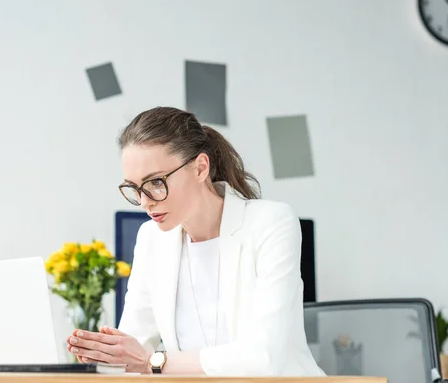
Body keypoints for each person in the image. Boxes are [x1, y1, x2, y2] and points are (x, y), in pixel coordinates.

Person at [65, 106, 324, 376]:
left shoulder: (270, 223)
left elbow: (263, 357)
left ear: (200, 168)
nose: (144, 202)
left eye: (155, 182)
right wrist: (104, 356)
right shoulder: (151, 238)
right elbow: (132, 350)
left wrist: (152, 363)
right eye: (134, 188)